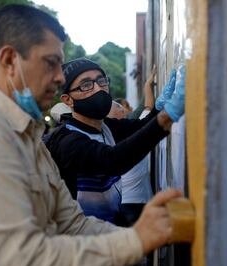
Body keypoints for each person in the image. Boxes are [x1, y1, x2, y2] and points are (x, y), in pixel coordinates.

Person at [0, 4, 184, 266]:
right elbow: (24, 261)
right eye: (51, 63)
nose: (60, 77)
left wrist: (143, 235)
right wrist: (136, 240)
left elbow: (73, 226)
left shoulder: (28, 140)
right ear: (9, 61)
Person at [45, 58, 185, 225]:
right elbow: (113, 160)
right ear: (68, 100)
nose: (98, 89)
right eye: (86, 84)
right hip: (78, 239)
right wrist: (167, 116)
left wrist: (158, 108)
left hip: (106, 230)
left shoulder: (104, 126)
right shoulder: (67, 141)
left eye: (101, 81)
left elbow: (138, 127)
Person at [107, 65, 158, 227]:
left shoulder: (106, 138)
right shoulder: (134, 133)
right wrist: (147, 85)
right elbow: (148, 109)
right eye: (122, 109)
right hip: (137, 203)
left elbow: (148, 108)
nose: (128, 111)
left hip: (123, 202)